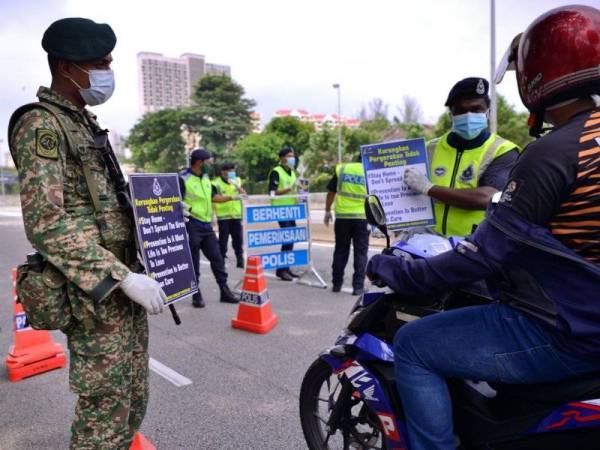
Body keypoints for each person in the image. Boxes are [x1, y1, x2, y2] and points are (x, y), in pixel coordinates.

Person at [366, 5, 600, 449]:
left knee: (415, 345)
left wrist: (394, 270)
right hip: (572, 300)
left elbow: (487, 252)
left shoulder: (549, 152)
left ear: (539, 72)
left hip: (569, 326)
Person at [8, 18, 166, 449]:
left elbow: (107, 201)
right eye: (99, 63)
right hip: (97, 294)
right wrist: (121, 277)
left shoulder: (83, 121)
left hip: (121, 288)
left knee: (133, 398)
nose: (106, 72)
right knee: (104, 415)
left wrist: (157, 215)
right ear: (65, 67)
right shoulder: (42, 125)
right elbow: (46, 223)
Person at [404, 77, 520, 237]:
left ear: (488, 112)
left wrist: (429, 189)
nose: (468, 115)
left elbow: (487, 197)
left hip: (475, 245)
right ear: (451, 115)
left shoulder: (502, 151)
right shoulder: (429, 148)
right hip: (427, 241)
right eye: (460, 110)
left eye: (476, 109)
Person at [179, 148, 239, 308]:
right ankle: (196, 294)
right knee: (194, 262)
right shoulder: (183, 179)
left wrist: (233, 197)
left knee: (217, 258)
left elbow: (213, 198)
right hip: (191, 224)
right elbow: (175, 200)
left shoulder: (206, 178)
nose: (210, 165)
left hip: (207, 225)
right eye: (208, 161)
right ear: (199, 162)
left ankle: (224, 291)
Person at [324, 156, 369, 295]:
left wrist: (327, 210)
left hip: (343, 217)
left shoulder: (342, 169)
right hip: (362, 218)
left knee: (340, 251)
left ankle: (336, 284)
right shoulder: (369, 171)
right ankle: (358, 287)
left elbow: (331, 192)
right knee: (360, 253)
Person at [268, 146, 300, 281]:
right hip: (280, 210)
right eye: (288, 156)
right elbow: (272, 192)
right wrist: (289, 189)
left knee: (291, 238)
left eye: (292, 156)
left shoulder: (293, 172)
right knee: (287, 238)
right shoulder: (276, 172)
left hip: (291, 209)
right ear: (281, 158)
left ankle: (286, 267)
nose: (291, 158)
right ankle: (281, 270)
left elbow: (294, 191)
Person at [212, 162, 246, 268]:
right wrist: (231, 197)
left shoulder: (238, 180)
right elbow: (214, 198)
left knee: (238, 240)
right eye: (229, 170)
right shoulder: (216, 183)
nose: (232, 172)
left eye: (233, 170)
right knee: (223, 241)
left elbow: (244, 194)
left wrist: (237, 186)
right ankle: (221, 261)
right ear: (223, 172)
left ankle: (240, 261)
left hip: (236, 216)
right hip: (223, 216)